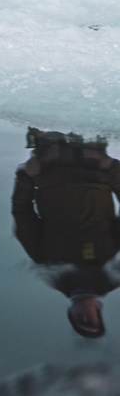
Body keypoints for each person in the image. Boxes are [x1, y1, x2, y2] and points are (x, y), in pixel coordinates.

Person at [12, 129, 120, 338]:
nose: (85, 314)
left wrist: (26, 176)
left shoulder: (48, 264)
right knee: (87, 102)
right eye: (92, 319)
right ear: (99, 310)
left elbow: (22, 211)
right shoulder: (113, 270)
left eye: (81, 320)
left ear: (70, 313)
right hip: (93, 162)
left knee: (46, 103)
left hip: (48, 162)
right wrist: (113, 168)